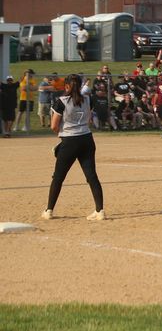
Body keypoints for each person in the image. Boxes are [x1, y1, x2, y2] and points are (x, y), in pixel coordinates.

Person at [41, 74, 105, 221]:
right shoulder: (89, 99)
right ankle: (100, 211)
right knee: (92, 176)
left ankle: (49, 210)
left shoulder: (61, 101)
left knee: (58, 177)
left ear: (67, 86)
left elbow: (54, 126)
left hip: (69, 141)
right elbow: (88, 118)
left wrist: (63, 135)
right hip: (87, 139)